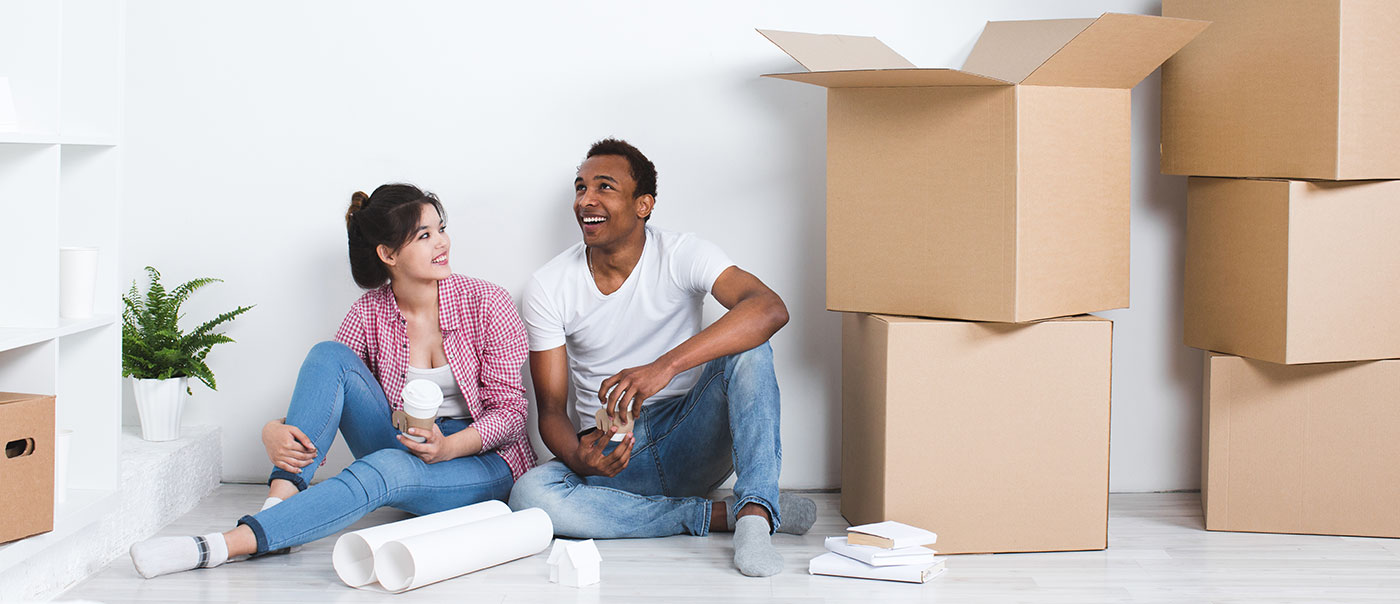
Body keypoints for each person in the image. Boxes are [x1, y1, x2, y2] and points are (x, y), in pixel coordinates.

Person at [129, 184, 535, 578]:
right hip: (405, 442)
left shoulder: (487, 302)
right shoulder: (369, 313)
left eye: (441, 229)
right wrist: (274, 429)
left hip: (480, 462)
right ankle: (279, 507)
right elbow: (326, 395)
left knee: (387, 468)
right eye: (424, 235)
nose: (441, 242)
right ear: (388, 253)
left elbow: (512, 413)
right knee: (328, 356)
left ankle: (221, 546)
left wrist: (448, 447)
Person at [508, 139, 815, 577]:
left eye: (604, 187)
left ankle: (754, 518)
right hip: (615, 454)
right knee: (530, 496)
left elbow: (769, 308)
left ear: (643, 204)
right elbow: (552, 411)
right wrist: (580, 459)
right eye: (580, 188)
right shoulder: (549, 285)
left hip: (691, 435)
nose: (586, 200)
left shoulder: (682, 253)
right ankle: (723, 516)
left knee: (751, 346)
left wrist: (663, 368)